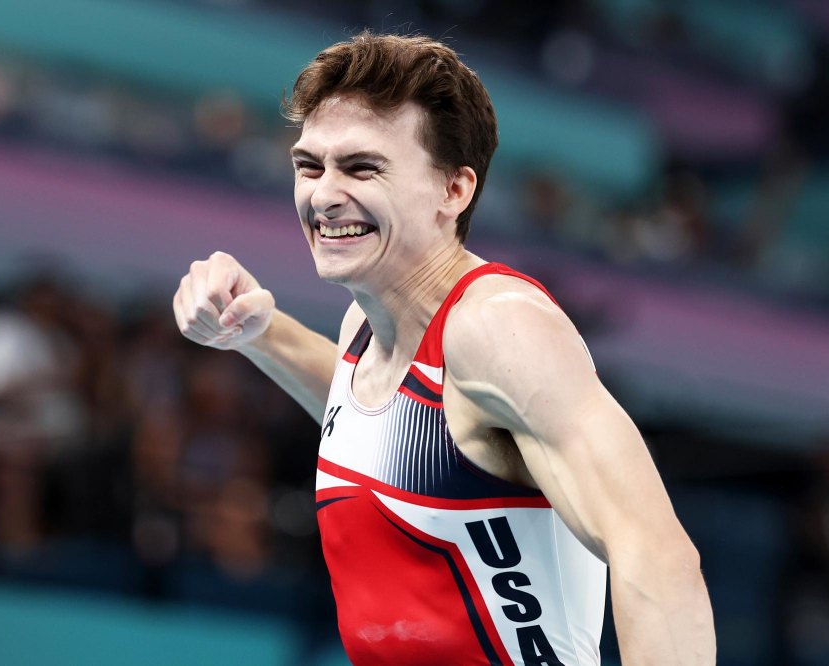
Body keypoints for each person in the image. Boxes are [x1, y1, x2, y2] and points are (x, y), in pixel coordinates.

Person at [174, 31, 715, 665]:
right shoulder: (365, 326)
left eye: (362, 167)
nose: (322, 195)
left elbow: (657, 557)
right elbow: (381, 431)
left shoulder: (497, 330)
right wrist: (262, 332)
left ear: (453, 191)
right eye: (309, 165)